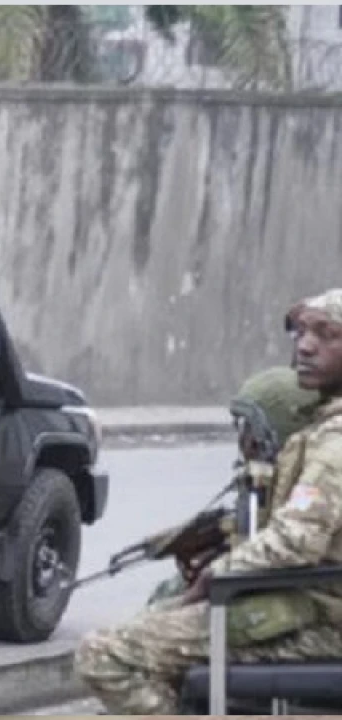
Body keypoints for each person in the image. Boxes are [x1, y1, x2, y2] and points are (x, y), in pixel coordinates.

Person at [75, 288, 342, 714]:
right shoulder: (324, 427)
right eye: (302, 331)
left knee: (104, 655)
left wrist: (219, 573)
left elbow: (296, 541)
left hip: (319, 620)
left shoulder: (336, 440)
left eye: (327, 334)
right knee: (152, 621)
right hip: (304, 604)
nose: (305, 345)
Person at [145, 366, 320, 607]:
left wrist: (221, 566)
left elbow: (289, 544)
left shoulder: (311, 479)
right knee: (168, 592)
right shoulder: (270, 478)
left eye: (251, 429)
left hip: (298, 598)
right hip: (265, 582)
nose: (244, 440)